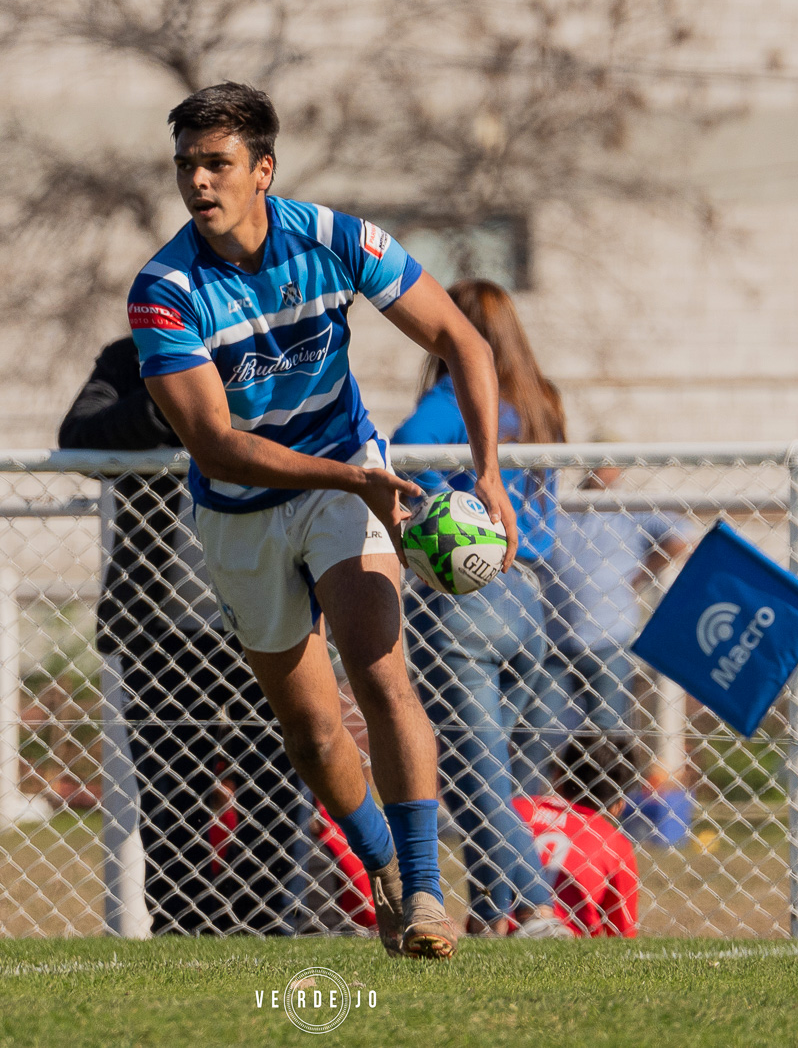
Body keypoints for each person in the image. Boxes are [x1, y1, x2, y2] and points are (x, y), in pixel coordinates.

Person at [131, 82, 519, 959]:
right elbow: (217, 446)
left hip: (349, 483)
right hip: (243, 509)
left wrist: (489, 472)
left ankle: (425, 892)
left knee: (381, 678)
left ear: (264, 170)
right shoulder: (163, 291)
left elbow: (462, 340)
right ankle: (382, 866)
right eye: (186, 165)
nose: (198, 181)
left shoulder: (337, 240)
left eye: (217, 163)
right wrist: (355, 478)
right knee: (310, 733)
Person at [59, 336, 307, 936]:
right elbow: (78, 435)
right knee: (171, 790)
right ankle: (181, 926)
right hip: (159, 623)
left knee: (274, 779)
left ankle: (260, 923)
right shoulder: (133, 357)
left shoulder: (274, 348)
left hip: (265, 612)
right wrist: (168, 401)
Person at [391, 279, 572, 939]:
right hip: (530, 599)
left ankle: (536, 909)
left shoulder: (454, 398)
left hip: (466, 597)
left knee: (476, 773)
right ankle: (492, 915)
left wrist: (437, 511)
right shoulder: (540, 401)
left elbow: (404, 447)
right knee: (492, 775)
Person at [541, 466, 693, 743]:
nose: (603, 471)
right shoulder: (563, 506)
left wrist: (643, 573)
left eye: (609, 464)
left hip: (609, 637)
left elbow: (681, 538)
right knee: (542, 729)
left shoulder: (631, 510)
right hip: (555, 640)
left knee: (608, 731)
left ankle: (605, 772)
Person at [512, 734, 641, 938]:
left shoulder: (516, 810)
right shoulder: (614, 843)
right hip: (566, 938)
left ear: (558, 777)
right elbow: (621, 934)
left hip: (501, 926)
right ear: (619, 805)